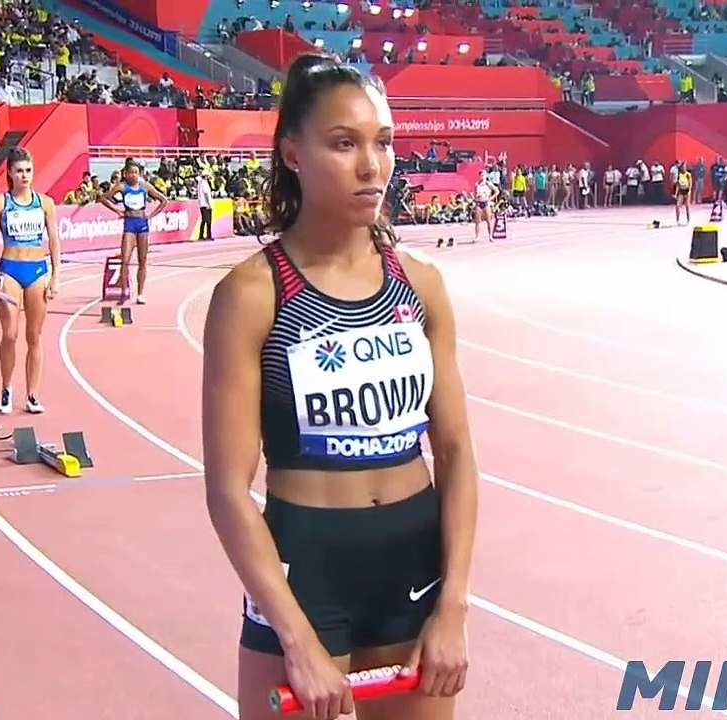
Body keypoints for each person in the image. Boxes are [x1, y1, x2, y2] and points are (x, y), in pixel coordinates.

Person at [201, 53, 478, 720]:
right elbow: (227, 489)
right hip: (304, 568)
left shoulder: (420, 286)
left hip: (412, 563)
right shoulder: (252, 295)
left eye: (382, 142)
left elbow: (459, 453)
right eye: (344, 143)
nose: (371, 166)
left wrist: (454, 606)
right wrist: (294, 636)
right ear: (292, 153)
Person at [0, 147, 61, 415]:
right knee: (10, 334)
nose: (24, 175)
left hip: (38, 270)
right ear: (10, 173)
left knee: (34, 336)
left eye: (28, 170)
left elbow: (54, 241)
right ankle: (6, 388)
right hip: (10, 270)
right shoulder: (0, 203)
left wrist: (55, 277)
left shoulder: (45, 203)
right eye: (19, 171)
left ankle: (32, 394)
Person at [100, 159, 168, 304]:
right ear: (126, 173)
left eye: (136, 173)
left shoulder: (145, 186)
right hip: (129, 224)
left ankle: (140, 293)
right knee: (125, 259)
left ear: (139, 174)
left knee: (142, 260)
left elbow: (163, 200)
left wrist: (151, 215)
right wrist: (117, 210)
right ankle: (124, 292)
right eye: (131, 172)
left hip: (142, 224)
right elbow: (103, 198)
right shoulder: (122, 187)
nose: (133, 175)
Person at [472, 177, 497, 242]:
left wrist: (491, 198)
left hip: (486, 203)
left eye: (483, 175)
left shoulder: (488, 184)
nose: (482, 177)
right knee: (477, 221)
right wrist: (474, 198)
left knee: (488, 221)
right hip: (478, 203)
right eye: (480, 175)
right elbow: (475, 193)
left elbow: (497, 191)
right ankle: (477, 236)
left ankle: (490, 236)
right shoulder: (477, 184)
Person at [673, 161, 692, 225]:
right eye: (682, 167)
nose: (684, 168)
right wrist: (675, 194)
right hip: (681, 191)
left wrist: (689, 191)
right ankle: (678, 220)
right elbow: (677, 185)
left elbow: (690, 184)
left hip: (686, 191)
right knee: (677, 206)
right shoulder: (679, 174)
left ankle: (688, 220)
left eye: (685, 167)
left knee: (687, 206)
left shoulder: (688, 174)